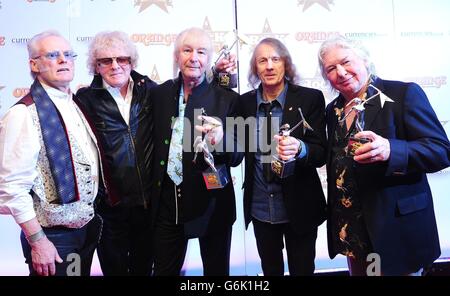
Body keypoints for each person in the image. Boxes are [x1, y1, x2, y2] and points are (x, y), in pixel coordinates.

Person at [318, 36, 450, 275]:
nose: (340, 72)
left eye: (346, 61)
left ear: (364, 59)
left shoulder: (403, 94)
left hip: (396, 228)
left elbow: (441, 151)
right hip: (353, 230)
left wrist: (392, 149)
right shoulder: (333, 110)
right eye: (331, 68)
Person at [0, 31, 102, 276]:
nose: (63, 60)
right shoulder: (23, 114)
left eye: (68, 55)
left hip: (84, 229)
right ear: (34, 64)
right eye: (53, 55)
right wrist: (38, 241)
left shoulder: (75, 103)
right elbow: (12, 187)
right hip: (53, 237)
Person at [150, 27, 240, 276]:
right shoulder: (159, 94)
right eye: (187, 50)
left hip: (212, 206)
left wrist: (222, 139)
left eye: (201, 52)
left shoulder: (227, 99)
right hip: (167, 206)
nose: (194, 57)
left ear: (209, 59)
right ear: (176, 56)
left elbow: (237, 156)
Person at [237, 38, 327, 275]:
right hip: (260, 209)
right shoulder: (244, 103)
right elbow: (235, 147)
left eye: (275, 59)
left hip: (300, 206)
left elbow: (321, 152)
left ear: (286, 64)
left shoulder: (310, 98)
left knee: (303, 269)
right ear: (255, 68)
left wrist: (300, 148)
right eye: (262, 60)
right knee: (270, 270)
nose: (269, 66)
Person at [75, 31, 156, 276]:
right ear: (96, 67)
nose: (115, 65)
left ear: (131, 62)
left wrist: (218, 74)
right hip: (110, 208)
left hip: (148, 204)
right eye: (106, 61)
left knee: (144, 269)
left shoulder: (149, 91)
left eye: (121, 59)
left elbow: (188, 89)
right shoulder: (85, 99)